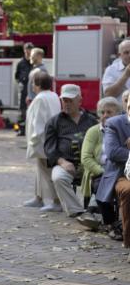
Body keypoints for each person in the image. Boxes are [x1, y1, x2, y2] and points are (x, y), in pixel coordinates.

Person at [44, 84, 97, 217]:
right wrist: (62, 162)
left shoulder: (91, 120)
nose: (66, 104)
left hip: (89, 163)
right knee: (58, 177)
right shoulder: (54, 122)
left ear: (79, 101)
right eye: (64, 100)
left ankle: (94, 208)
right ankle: (77, 211)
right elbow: (49, 148)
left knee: (103, 175)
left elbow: (100, 144)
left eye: (70, 101)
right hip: (66, 163)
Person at [77, 97, 123, 232]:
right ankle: (111, 223)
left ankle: (92, 213)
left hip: (119, 170)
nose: (105, 116)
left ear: (118, 114)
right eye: (102, 112)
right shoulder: (93, 132)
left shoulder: (123, 130)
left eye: (109, 112)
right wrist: (102, 171)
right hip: (99, 171)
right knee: (100, 183)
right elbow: (85, 158)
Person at [23, 72, 61, 211]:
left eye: (33, 83)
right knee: (41, 170)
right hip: (50, 139)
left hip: (43, 141)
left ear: (38, 84)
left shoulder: (40, 98)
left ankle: (56, 202)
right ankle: (38, 197)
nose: (32, 85)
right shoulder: (53, 95)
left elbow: (38, 122)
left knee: (47, 171)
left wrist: (33, 140)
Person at [97, 97, 130, 248]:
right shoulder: (114, 123)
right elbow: (112, 153)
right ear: (126, 104)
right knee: (127, 192)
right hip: (121, 172)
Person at [14, 42, 34, 136]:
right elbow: (17, 75)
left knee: (33, 109)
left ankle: (31, 129)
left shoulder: (34, 62)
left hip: (33, 89)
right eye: (27, 49)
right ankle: (21, 129)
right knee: (22, 110)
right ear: (24, 50)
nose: (28, 51)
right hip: (23, 89)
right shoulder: (21, 63)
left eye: (30, 49)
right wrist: (20, 83)